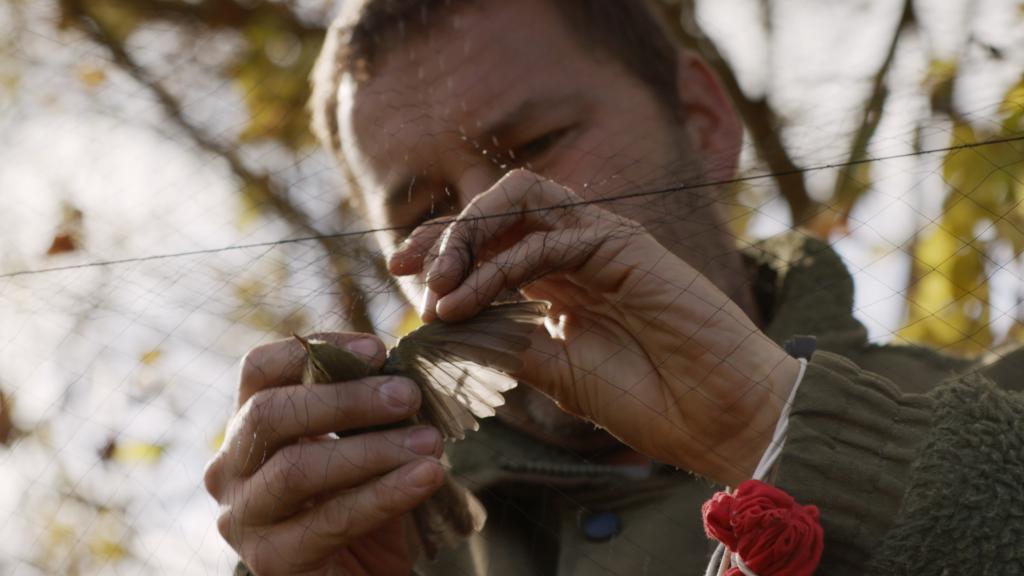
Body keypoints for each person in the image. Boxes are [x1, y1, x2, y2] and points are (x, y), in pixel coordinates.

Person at [202, 0, 1024, 574]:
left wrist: (780, 429)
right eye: (425, 206)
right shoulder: (391, 544)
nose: (482, 222)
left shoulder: (999, 418)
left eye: (537, 144)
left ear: (701, 121)